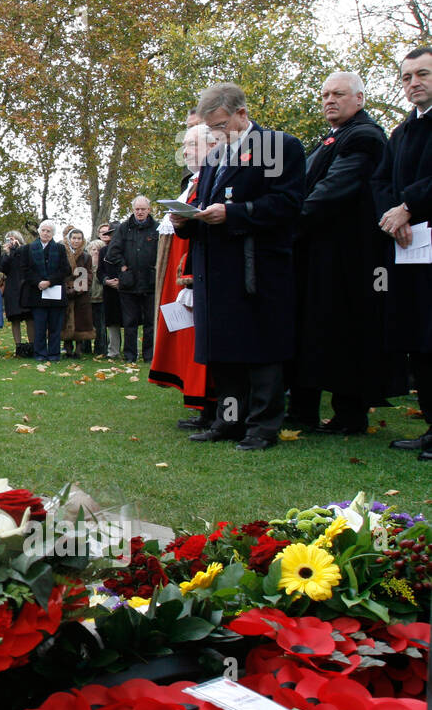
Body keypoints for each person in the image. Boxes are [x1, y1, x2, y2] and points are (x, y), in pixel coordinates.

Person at [173, 82, 306, 450]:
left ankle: (262, 427)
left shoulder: (278, 146)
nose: (215, 134)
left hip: (257, 268)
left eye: (219, 125)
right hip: (217, 269)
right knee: (226, 353)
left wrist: (234, 213)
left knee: (261, 349)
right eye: (210, 128)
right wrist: (189, 220)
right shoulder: (216, 158)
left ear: (241, 114)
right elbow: (209, 207)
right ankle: (228, 421)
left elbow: (288, 204)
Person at [290, 72, 402, 434]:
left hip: (349, 256)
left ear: (360, 99)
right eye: (324, 94)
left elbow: (332, 189)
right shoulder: (334, 137)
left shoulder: (365, 137)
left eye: (338, 94)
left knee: (344, 330)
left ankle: (350, 414)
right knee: (320, 330)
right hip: (323, 250)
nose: (328, 100)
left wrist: (288, 222)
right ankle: (311, 409)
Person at [374, 46, 432, 460]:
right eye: (408, 77)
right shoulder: (401, 132)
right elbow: (380, 182)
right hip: (410, 250)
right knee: (420, 341)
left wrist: (409, 205)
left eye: (423, 74)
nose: (414, 83)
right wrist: (393, 214)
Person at [149, 123, 217, 428]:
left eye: (191, 145)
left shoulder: (211, 182)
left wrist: (187, 277)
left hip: (195, 275)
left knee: (201, 340)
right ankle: (201, 405)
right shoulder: (193, 182)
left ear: (211, 146)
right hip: (182, 273)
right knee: (188, 339)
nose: (185, 151)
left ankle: (211, 408)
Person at [105, 196, 159, 364]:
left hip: (151, 282)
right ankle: (130, 356)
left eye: (143, 209)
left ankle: (149, 356)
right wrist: (122, 265)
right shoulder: (124, 228)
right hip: (129, 283)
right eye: (137, 209)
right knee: (130, 322)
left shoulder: (157, 228)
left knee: (150, 322)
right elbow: (112, 252)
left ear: (149, 210)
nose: (140, 212)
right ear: (133, 210)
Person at [17, 220, 72, 362]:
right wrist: (38, 282)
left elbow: (65, 269)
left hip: (55, 292)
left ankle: (54, 354)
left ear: (53, 234)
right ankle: (40, 354)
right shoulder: (28, 249)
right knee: (40, 326)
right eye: (43, 230)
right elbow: (24, 269)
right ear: (39, 231)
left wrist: (50, 281)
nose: (46, 233)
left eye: (49, 231)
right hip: (37, 293)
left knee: (55, 326)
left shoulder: (60, 249)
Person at [60, 228, 94, 358]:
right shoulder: (62, 254)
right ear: (69, 239)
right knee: (65, 320)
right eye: (74, 238)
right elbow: (60, 273)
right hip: (64, 292)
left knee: (81, 321)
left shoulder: (86, 257)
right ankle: (67, 348)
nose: (76, 241)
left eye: (79, 238)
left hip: (81, 294)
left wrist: (77, 289)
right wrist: (65, 288)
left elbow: (88, 275)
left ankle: (79, 349)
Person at [0, 230, 32, 356]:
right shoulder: (7, 254)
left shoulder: (26, 250)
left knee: (29, 317)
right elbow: (2, 268)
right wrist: (7, 253)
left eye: (14, 239)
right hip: (12, 289)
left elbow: (29, 264)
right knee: (15, 318)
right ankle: (18, 347)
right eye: (9, 239)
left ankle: (31, 346)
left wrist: (19, 248)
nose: (11, 242)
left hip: (26, 287)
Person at [96, 222, 122, 357]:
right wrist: (106, 280)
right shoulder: (103, 251)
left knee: (130, 322)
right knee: (112, 323)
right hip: (110, 291)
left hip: (127, 290)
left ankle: (131, 350)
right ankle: (113, 351)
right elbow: (99, 271)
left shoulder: (128, 249)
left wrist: (122, 281)